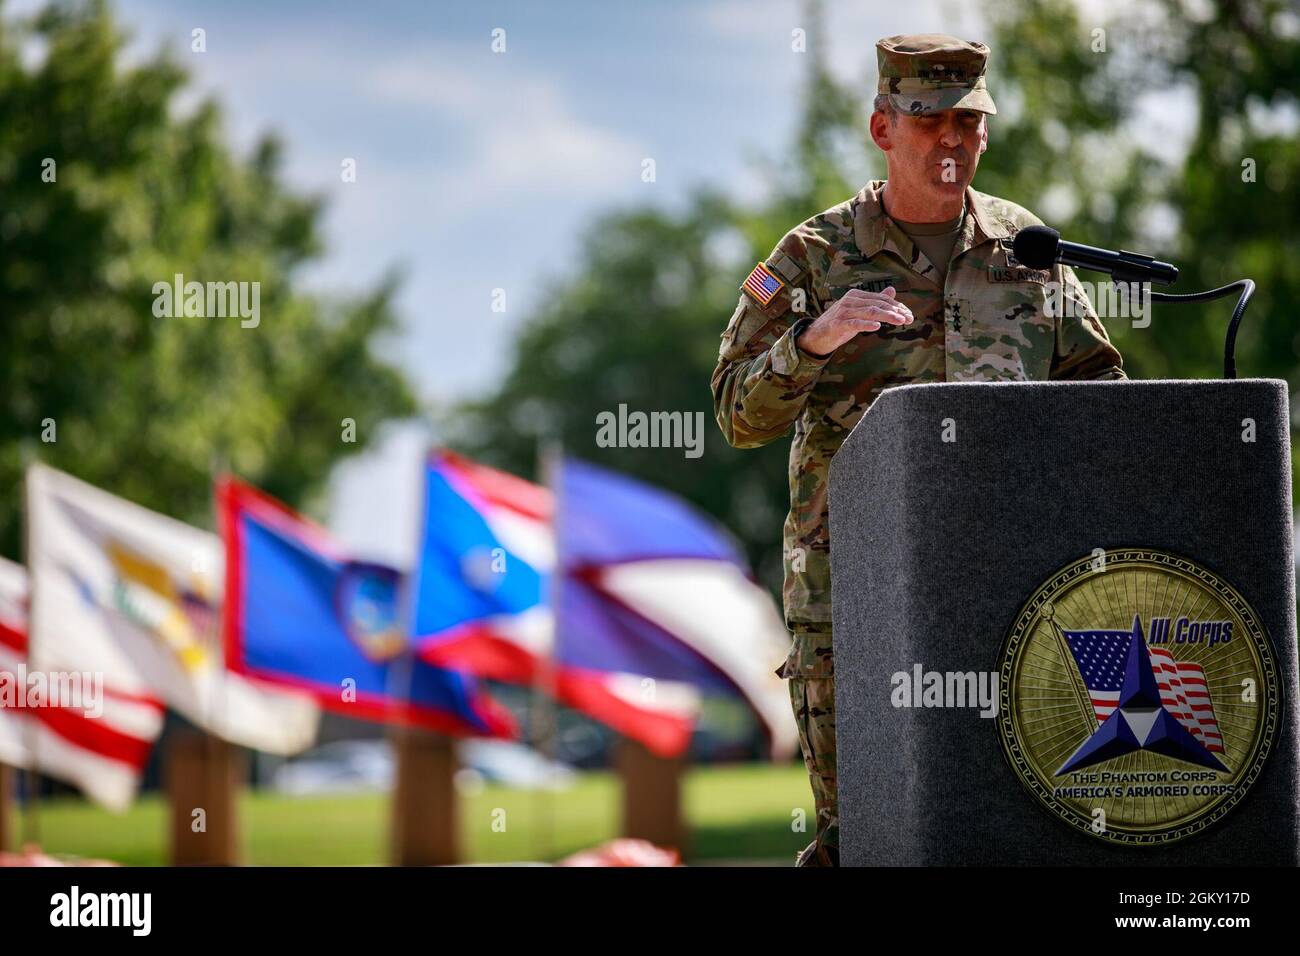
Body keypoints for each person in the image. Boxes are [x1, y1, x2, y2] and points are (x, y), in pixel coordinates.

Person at [710, 33, 1126, 867]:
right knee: (860, 829)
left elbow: (1099, 395)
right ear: (882, 128)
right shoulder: (816, 256)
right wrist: (814, 341)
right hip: (851, 577)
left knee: (1015, 812)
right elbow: (734, 412)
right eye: (928, 119)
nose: (950, 140)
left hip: (1006, 572)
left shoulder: (1029, 250)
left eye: (967, 122)